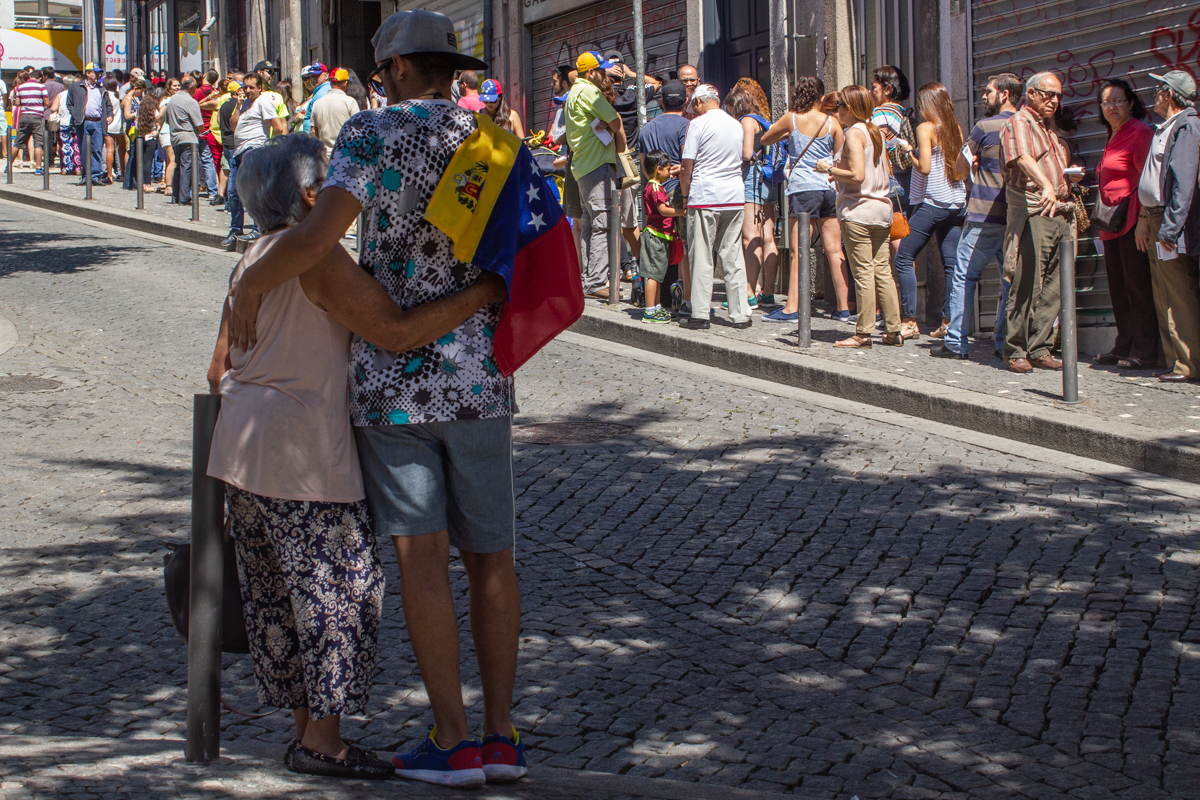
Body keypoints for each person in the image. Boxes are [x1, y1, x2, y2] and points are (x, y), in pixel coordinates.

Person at [224, 10, 528, 787]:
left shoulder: (370, 133)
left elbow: (319, 236)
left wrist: (251, 281)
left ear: (393, 70)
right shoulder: (492, 139)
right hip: (479, 377)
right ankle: (501, 737)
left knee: (420, 559)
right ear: (449, 70)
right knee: (492, 558)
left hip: (396, 391)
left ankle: (453, 740)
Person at [936, 72, 1021, 360]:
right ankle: (1003, 342)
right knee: (1009, 279)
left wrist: (969, 162)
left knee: (964, 276)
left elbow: (960, 166)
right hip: (1017, 218)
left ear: (1005, 95)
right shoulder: (1027, 126)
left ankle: (956, 342)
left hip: (984, 214)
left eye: (989, 91)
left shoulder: (985, 126)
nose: (984, 96)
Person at [815, 85, 903, 348]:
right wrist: (839, 172)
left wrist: (828, 167)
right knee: (883, 271)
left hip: (859, 209)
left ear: (849, 109)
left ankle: (863, 333)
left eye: (839, 106)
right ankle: (893, 330)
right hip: (881, 209)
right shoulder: (873, 131)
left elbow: (858, 175)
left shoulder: (853, 133)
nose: (836, 111)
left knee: (863, 273)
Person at [998, 71, 1073, 374]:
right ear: (1031, 94)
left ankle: (1039, 346)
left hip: (1059, 212)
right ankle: (1015, 348)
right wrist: (1047, 185)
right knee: (1026, 280)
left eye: (1058, 96)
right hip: (1034, 209)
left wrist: (1067, 180)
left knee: (1054, 286)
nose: (1054, 101)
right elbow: (1022, 158)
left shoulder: (1048, 128)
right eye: (1048, 94)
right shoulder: (1019, 121)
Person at [761, 76, 851, 324]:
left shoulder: (791, 118)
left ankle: (792, 307)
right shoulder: (833, 122)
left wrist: (788, 140)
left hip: (802, 189)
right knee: (834, 249)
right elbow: (840, 156)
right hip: (828, 188)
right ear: (821, 97)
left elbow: (766, 138)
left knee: (798, 251)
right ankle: (843, 308)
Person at [1136, 70, 1200, 383]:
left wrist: (1171, 228)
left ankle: (1188, 364)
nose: (1156, 93)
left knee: (1178, 291)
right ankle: (1173, 359)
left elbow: (1184, 183)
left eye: (1160, 88)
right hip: (1155, 217)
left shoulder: (1187, 125)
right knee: (1163, 292)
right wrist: (1145, 220)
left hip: (1170, 220)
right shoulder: (1165, 126)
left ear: (1170, 94)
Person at [893, 81, 967, 341]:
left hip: (933, 202)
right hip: (957, 204)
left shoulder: (926, 128)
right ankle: (948, 321)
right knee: (951, 264)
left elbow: (923, 167)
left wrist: (907, 151)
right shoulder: (954, 128)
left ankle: (910, 320)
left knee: (903, 257)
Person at [1091, 78, 1156, 369]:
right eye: (1106, 102)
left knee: (1137, 286)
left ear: (1131, 103)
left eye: (1118, 100)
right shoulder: (1112, 134)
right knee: (1118, 287)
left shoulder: (1139, 133)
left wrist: (1143, 219)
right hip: (1110, 224)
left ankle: (1145, 350)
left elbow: (1147, 180)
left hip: (1131, 221)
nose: (1112, 106)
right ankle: (1124, 344)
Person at [679, 84, 752, 330]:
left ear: (699, 102)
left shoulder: (698, 124)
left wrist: (686, 193)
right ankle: (741, 314)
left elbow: (686, 165)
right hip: (733, 196)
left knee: (702, 255)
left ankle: (700, 314)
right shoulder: (736, 124)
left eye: (694, 106)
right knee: (733, 256)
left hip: (705, 196)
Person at [566, 50, 628, 299]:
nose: (604, 75)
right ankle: (597, 283)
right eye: (601, 71)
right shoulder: (589, 92)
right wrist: (611, 123)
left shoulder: (573, 93)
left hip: (582, 166)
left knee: (591, 225)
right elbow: (614, 120)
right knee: (602, 225)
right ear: (591, 72)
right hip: (597, 166)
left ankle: (589, 279)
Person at [723, 80, 779, 311]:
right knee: (768, 237)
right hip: (768, 179)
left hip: (752, 180)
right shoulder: (765, 121)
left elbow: (746, 153)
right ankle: (768, 292)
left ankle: (748, 293)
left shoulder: (747, 121)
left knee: (749, 237)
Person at [638, 79, 690, 306]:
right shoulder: (685, 126)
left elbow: (643, 165)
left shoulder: (646, 129)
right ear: (686, 101)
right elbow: (686, 162)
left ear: (660, 102)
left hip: (652, 194)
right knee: (682, 247)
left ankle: (661, 302)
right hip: (676, 192)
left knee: (660, 251)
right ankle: (680, 297)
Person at [225, 73, 286, 248]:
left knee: (252, 190)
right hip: (239, 151)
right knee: (234, 192)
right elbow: (232, 125)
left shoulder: (263, 101)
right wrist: (237, 106)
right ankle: (236, 229)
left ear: (260, 87)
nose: (248, 90)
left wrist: (270, 149)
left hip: (254, 149)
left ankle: (258, 227)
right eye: (245, 87)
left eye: (252, 87)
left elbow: (278, 127)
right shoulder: (244, 104)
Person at [869, 65, 916, 264]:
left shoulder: (881, 114)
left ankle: (897, 292)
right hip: (906, 177)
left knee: (894, 242)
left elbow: (874, 147)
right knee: (902, 235)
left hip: (890, 179)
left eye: (874, 88)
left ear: (888, 90)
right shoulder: (901, 112)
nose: (870, 92)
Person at [640, 150, 684, 323]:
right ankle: (649, 311)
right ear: (659, 169)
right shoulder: (656, 188)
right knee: (653, 274)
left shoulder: (651, 186)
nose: (669, 172)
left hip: (659, 235)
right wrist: (681, 212)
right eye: (667, 169)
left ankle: (656, 307)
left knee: (657, 274)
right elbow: (662, 210)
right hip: (656, 236)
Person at [67, 63, 112, 185]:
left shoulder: (101, 89)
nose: (98, 75)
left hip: (97, 122)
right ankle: (86, 175)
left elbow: (108, 105)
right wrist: (76, 114)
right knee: (84, 149)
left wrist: (109, 115)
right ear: (87, 73)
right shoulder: (76, 87)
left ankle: (96, 176)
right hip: (83, 121)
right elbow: (69, 103)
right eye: (95, 72)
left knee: (97, 149)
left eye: (98, 73)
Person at [166, 76, 205, 205]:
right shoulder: (190, 101)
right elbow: (199, 124)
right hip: (188, 137)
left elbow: (167, 120)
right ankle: (184, 197)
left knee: (179, 166)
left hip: (175, 137)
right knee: (187, 167)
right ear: (190, 87)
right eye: (195, 86)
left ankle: (176, 196)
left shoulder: (172, 100)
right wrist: (199, 131)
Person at [310, 68, 360, 154]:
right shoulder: (350, 102)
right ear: (346, 83)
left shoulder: (316, 104)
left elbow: (313, 132)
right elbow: (358, 129)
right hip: (345, 154)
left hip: (324, 156)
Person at [13, 69, 48, 174]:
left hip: (24, 116)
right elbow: (46, 103)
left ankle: (8, 166)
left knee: (18, 142)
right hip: (37, 117)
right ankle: (38, 167)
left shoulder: (20, 88)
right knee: (38, 142)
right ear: (40, 77)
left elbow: (18, 103)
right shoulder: (41, 87)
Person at [156, 78, 180, 194]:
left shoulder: (173, 99)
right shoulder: (167, 100)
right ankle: (169, 186)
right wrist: (158, 127)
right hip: (166, 131)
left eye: (178, 85)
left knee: (170, 160)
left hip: (172, 131)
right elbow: (160, 116)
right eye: (175, 86)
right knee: (173, 160)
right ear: (169, 87)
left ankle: (170, 183)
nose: (177, 88)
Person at [41, 67, 65, 170]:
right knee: (60, 138)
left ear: (45, 75)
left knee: (48, 139)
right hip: (59, 115)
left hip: (46, 114)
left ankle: (49, 161)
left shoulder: (42, 86)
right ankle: (63, 160)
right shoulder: (60, 86)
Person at [103, 76, 125, 182]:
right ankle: (123, 174)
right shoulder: (119, 95)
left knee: (109, 150)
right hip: (120, 124)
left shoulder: (105, 95)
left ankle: (109, 174)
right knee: (122, 150)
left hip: (109, 124)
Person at [300, 62, 330, 133]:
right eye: (311, 76)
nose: (312, 79)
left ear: (326, 76)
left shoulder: (323, 93)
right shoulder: (319, 91)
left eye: (317, 75)